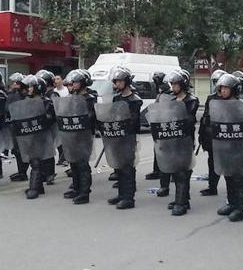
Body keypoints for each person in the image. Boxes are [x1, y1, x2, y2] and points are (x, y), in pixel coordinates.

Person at [149, 70, 199, 215]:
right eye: (172, 84)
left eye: (176, 84)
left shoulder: (191, 100)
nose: (173, 87)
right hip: (171, 139)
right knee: (175, 170)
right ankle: (182, 199)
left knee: (183, 171)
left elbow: (188, 120)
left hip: (185, 140)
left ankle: (181, 203)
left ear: (183, 85)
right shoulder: (170, 99)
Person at [210, 74, 243, 222]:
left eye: (226, 88)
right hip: (224, 145)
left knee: (238, 178)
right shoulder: (218, 104)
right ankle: (231, 203)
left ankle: (240, 208)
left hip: (238, 146)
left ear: (234, 89)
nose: (222, 91)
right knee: (228, 176)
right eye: (221, 88)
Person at [104, 67, 142, 209]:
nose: (117, 84)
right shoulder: (117, 98)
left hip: (128, 137)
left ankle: (128, 198)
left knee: (127, 167)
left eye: (119, 81)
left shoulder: (134, 100)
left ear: (126, 81)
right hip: (117, 136)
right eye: (116, 81)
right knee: (119, 166)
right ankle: (121, 194)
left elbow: (133, 120)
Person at [59, 69, 96, 204]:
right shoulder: (72, 98)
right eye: (72, 83)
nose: (73, 85)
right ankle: (76, 188)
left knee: (82, 164)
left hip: (84, 135)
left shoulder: (89, 99)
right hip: (72, 133)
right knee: (73, 163)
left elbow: (90, 117)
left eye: (75, 83)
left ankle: (84, 192)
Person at [196, 69, 227, 196]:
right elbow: (205, 118)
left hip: (226, 136)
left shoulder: (230, 99)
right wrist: (201, 135)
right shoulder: (211, 98)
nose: (217, 85)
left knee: (228, 163)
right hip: (211, 136)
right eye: (215, 82)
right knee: (212, 162)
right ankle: (212, 186)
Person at [145, 71, 171, 182]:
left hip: (165, 123)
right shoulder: (160, 90)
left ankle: (166, 171)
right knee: (157, 148)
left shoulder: (166, 89)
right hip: (157, 122)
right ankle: (157, 170)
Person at [35, 69, 60, 181]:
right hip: (42, 125)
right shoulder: (43, 95)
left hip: (51, 125)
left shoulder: (53, 95)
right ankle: (44, 172)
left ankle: (50, 173)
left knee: (48, 150)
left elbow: (55, 110)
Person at [7, 73, 29, 182]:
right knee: (17, 151)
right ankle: (21, 172)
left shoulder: (26, 96)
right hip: (15, 126)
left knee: (24, 151)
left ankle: (24, 172)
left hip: (24, 126)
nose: (14, 85)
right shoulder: (13, 94)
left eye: (16, 83)